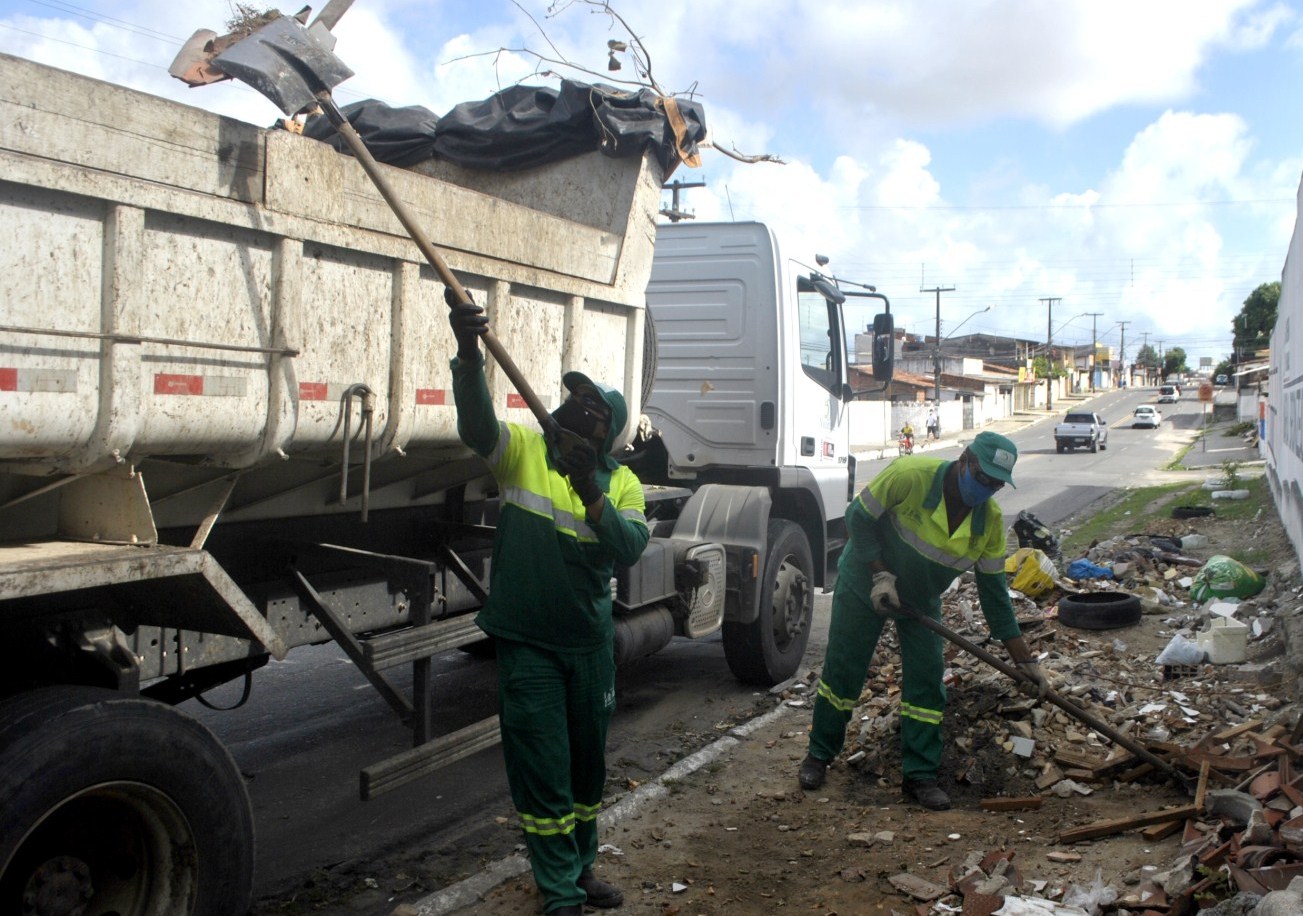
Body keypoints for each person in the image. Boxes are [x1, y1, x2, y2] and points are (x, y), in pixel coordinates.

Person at [448, 289, 650, 915]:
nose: (575, 408)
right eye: (574, 398)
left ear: (607, 433)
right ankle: (559, 890)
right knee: (543, 767)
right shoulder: (524, 451)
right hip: (530, 644)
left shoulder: (624, 483)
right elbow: (476, 427)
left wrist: (588, 486)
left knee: (587, 769)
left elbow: (630, 545)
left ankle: (582, 868)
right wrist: (468, 353)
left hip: (588, 647)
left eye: (591, 406)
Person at [796, 431, 1047, 811]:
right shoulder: (910, 475)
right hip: (866, 579)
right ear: (964, 460)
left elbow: (995, 597)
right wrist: (881, 574)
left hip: (921, 598)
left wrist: (1024, 661)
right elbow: (857, 518)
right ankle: (819, 754)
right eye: (982, 478)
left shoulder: (990, 523)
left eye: (996, 485)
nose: (986, 489)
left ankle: (920, 775)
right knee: (845, 668)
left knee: (928, 679)